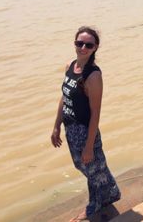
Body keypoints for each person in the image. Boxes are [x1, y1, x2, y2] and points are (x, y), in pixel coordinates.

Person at [51, 26, 120, 221]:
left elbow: (95, 113)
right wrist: (56, 126)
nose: (83, 47)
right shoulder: (70, 65)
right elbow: (64, 97)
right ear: (74, 44)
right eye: (79, 43)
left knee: (93, 167)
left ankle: (95, 205)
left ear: (95, 47)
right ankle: (110, 192)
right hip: (70, 127)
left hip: (84, 130)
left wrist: (89, 145)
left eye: (88, 45)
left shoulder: (93, 76)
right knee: (86, 167)